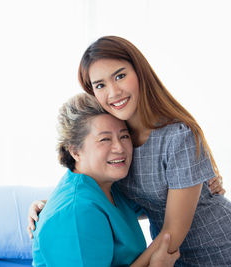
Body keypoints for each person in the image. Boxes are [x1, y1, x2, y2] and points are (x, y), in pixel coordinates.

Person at [29, 36, 231, 266]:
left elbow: (171, 231)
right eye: (100, 85)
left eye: (120, 76)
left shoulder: (177, 136)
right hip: (170, 258)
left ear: (139, 73)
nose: (113, 92)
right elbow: (109, 200)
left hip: (217, 248)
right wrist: (48, 206)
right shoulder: (118, 143)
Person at [32, 93, 179, 267]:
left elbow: (157, 201)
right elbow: (75, 210)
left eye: (124, 136)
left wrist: (200, 181)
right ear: (75, 151)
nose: (120, 147)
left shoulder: (109, 187)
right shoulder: (76, 212)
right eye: (105, 139)